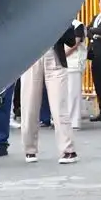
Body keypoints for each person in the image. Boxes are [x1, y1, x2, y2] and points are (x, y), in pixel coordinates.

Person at [21, 26, 80, 164]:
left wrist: (59, 22)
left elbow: (71, 40)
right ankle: (29, 149)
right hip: (31, 58)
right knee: (29, 105)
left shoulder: (57, 10)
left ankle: (68, 150)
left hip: (55, 58)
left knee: (59, 106)